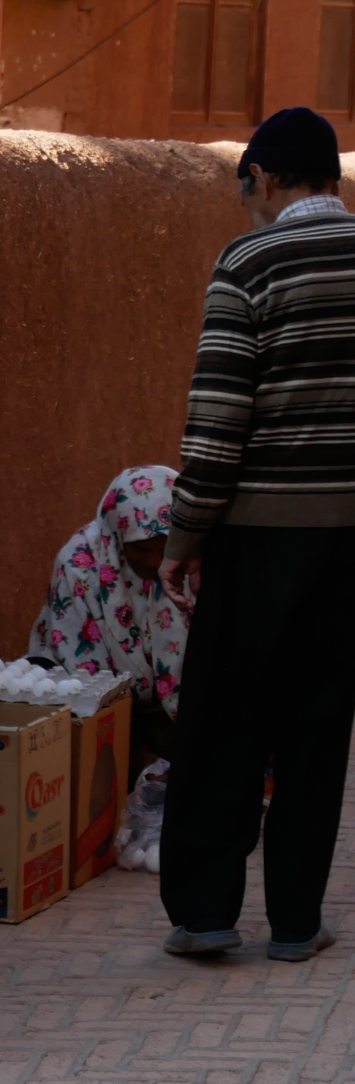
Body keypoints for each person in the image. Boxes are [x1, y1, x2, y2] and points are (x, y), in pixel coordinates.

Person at [157, 105, 355, 964]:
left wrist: (183, 533)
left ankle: (205, 913)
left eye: (247, 190)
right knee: (318, 723)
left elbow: (217, 418)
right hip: (346, 544)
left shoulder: (250, 261)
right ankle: (295, 923)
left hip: (256, 535)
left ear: (265, 179)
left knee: (224, 717)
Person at [28, 463, 187, 761]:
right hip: (94, 699)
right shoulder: (78, 567)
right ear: (117, 535)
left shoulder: (187, 562)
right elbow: (81, 668)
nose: (154, 561)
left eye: (164, 548)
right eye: (140, 549)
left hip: (164, 706)